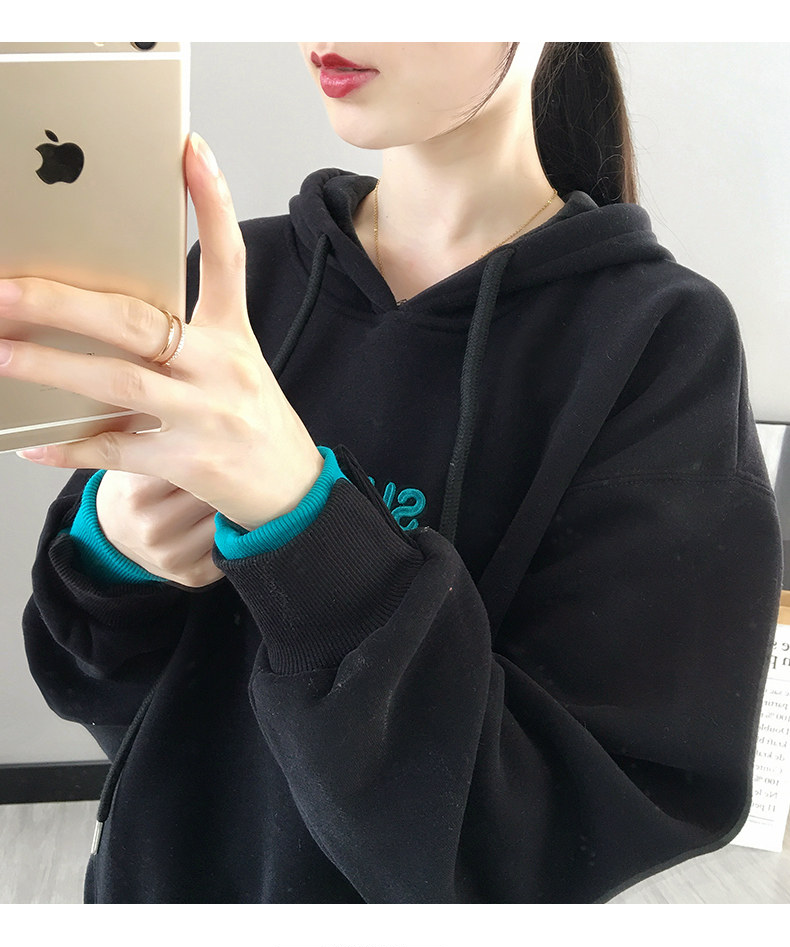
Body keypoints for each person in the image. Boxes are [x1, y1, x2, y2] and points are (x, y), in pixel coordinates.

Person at [3, 42, 781, 903]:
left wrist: (304, 520)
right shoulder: (233, 280)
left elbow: (545, 849)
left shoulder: (660, 341)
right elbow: (97, 686)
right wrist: (114, 556)